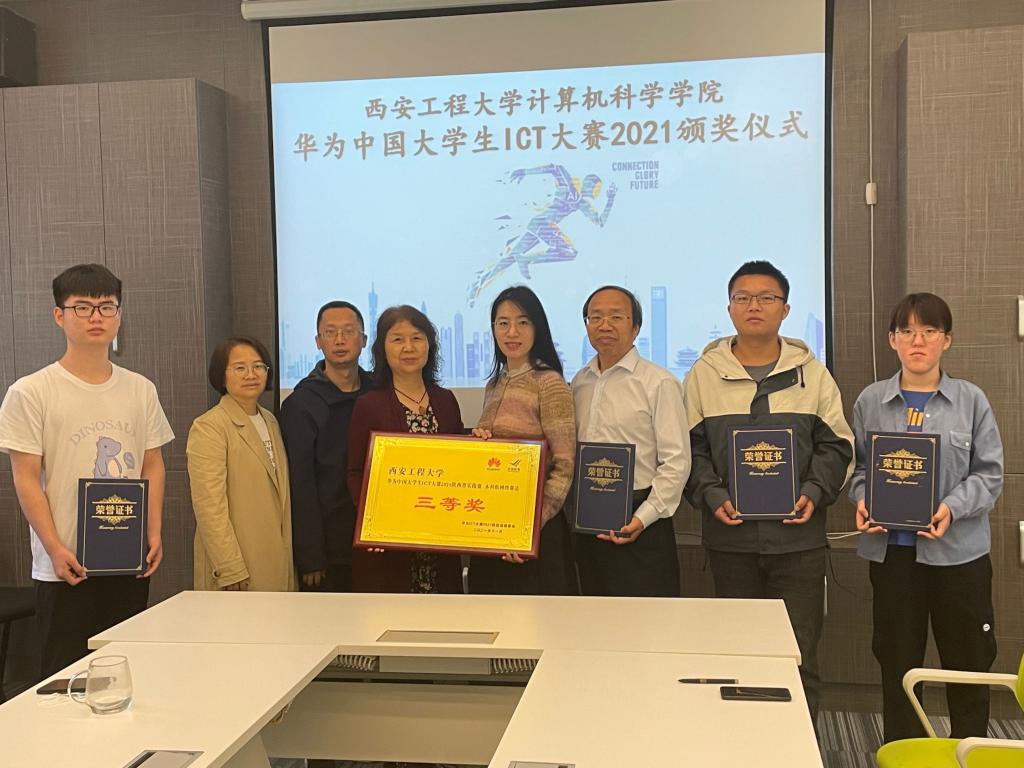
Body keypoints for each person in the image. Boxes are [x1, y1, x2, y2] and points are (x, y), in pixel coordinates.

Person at [683, 260, 853, 725]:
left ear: (785, 309)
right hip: (731, 543)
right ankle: (744, 747)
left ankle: (800, 748)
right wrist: (712, 495)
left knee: (798, 655)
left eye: (766, 298)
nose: (754, 306)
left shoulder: (812, 374)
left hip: (798, 545)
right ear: (730, 308)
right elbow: (689, 450)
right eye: (743, 298)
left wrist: (814, 491)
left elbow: (838, 446)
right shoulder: (703, 374)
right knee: (738, 657)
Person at [0, 264, 173, 677]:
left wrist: (152, 531)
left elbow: (152, 462)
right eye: (82, 307)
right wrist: (54, 548)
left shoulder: (140, 388)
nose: (96, 316)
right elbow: (26, 478)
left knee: (125, 673)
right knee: (66, 680)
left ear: (119, 315)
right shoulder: (31, 391)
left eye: (106, 306)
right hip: (65, 565)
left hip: (127, 557)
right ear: (59, 315)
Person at [849, 293, 1002, 743]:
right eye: (908, 331)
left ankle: (970, 752)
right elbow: (858, 470)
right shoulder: (871, 401)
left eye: (929, 331)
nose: (918, 341)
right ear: (892, 339)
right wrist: (863, 499)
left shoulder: (971, 400)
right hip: (894, 557)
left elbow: (989, 474)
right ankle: (904, 751)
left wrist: (950, 507)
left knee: (969, 663)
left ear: (946, 340)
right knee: (898, 664)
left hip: (959, 557)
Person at [571, 285, 690, 597]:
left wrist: (644, 516)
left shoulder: (658, 382)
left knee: (649, 622)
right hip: (588, 519)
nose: (604, 325)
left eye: (616, 317)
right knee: (591, 615)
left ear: (636, 327)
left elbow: (676, 461)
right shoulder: (579, 382)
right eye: (595, 317)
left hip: (642, 521)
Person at [346, 306, 464, 593]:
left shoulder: (446, 401)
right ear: (382, 349)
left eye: (417, 338)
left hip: (440, 538)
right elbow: (355, 472)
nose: (408, 347)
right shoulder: (368, 405)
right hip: (390, 547)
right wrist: (372, 524)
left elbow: (461, 466)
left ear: (429, 345)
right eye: (397, 339)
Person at [469, 286, 577, 595]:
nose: (512, 332)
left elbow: (564, 466)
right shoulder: (494, 383)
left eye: (523, 322)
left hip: (533, 534)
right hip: (490, 526)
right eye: (503, 323)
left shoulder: (550, 383)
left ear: (537, 328)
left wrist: (528, 528)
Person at [188, 336, 295, 592]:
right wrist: (229, 567)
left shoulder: (270, 420)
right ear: (221, 375)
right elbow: (209, 506)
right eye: (239, 368)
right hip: (238, 567)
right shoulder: (209, 426)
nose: (251, 374)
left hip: (274, 554)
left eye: (258, 366)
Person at [279, 301, 369, 593]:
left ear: (364, 340)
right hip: (329, 549)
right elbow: (300, 484)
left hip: (378, 541)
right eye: (330, 332)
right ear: (318, 341)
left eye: (349, 331)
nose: (340, 340)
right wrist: (311, 556)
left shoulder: (380, 393)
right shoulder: (301, 404)